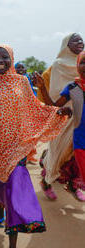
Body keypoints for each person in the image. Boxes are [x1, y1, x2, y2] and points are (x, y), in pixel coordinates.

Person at [0, 44, 70, 248]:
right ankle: (0, 207)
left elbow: (35, 108)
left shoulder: (21, 82)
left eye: (5, 57)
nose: (0, 61)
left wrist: (55, 113)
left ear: (12, 59)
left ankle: (13, 242)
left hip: (17, 148)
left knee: (15, 192)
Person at [34, 50, 85, 201]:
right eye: (82, 62)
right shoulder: (73, 87)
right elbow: (54, 107)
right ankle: (47, 179)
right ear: (77, 66)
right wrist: (42, 87)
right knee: (60, 161)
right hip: (80, 139)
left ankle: (72, 186)